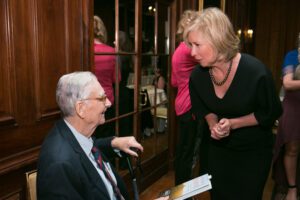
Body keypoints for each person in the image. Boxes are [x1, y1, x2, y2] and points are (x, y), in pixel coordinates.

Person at [184, 7, 282, 200]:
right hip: (216, 153)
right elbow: (204, 109)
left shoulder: (256, 73)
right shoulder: (197, 76)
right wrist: (213, 125)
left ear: (218, 40)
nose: (192, 52)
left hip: (252, 153)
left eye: (197, 44)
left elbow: (269, 113)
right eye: (190, 44)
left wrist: (233, 123)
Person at [37, 71, 144, 200]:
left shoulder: (73, 133)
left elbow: (85, 149)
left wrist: (113, 143)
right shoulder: (59, 167)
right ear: (81, 108)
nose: (109, 103)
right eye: (102, 98)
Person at [171, 10, 200, 185]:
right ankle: (183, 192)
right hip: (190, 105)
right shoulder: (190, 50)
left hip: (181, 104)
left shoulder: (179, 49)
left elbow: (174, 82)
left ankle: (181, 190)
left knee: (184, 151)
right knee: (188, 153)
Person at [273, 32, 300, 200]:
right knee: (292, 149)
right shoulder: (292, 56)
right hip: (294, 106)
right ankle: (291, 188)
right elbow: (287, 83)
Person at [94, 15, 119, 138]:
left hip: (88, 100)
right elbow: (117, 78)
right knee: (106, 137)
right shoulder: (111, 51)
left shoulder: (84, 51)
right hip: (107, 99)